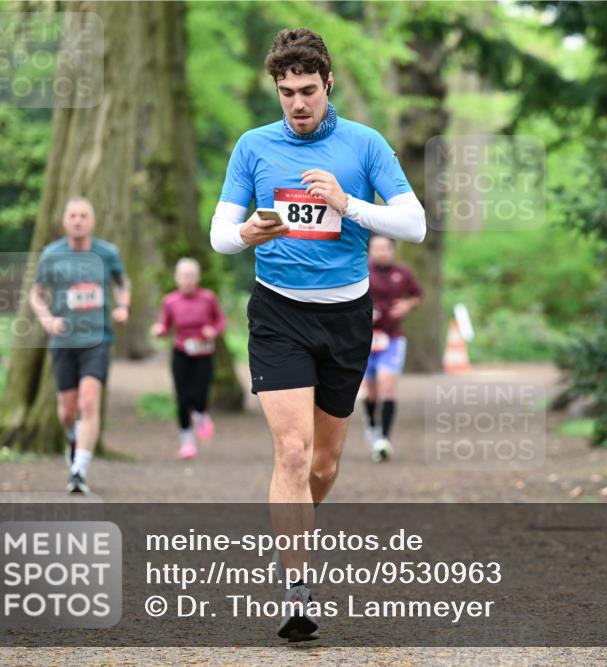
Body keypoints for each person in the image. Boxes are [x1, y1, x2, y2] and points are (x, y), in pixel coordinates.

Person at [209, 28, 425, 641]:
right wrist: (248, 233)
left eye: (307, 90)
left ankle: (294, 527)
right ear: (275, 91)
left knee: (324, 466)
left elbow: (415, 223)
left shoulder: (366, 144)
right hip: (278, 315)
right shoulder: (254, 147)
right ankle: (297, 591)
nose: (297, 104)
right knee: (294, 452)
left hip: (347, 318)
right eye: (286, 93)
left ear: (328, 83)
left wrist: (349, 202)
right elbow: (220, 234)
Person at [30, 196, 130, 495]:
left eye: (83, 215)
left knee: (89, 402)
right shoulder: (51, 254)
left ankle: (79, 471)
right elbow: (36, 294)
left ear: (92, 221)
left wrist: (123, 306)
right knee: (67, 410)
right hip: (63, 340)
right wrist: (47, 318)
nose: (78, 220)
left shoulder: (107, 253)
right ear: (64, 221)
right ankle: (73, 440)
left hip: (96, 340)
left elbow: (122, 283)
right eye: (72, 215)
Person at [151, 258, 225, 460]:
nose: (188, 280)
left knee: (200, 395)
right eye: (184, 276)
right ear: (176, 278)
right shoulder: (170, 301)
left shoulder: (208, 298)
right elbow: (165, 325)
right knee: (182, 397)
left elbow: (220, 321)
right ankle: (187, 442)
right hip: (181, 351)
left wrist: (213, 330)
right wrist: (159, 330)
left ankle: (201, 415)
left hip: (203, 352)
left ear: (198, 278)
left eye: (192, 276)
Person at [361, 234, 422, 462]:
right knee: (371, 393)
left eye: (385, 248)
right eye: (376, 248)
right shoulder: (360, 270)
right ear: (369, 251)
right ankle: (373, 428)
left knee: (387, 386)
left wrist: (406, 305)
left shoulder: (403, 273)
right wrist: (365, 313)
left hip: (392, 338)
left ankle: (384, 439)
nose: (380, 252)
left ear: (393, 250)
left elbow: (418, 295)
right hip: (364, 341)